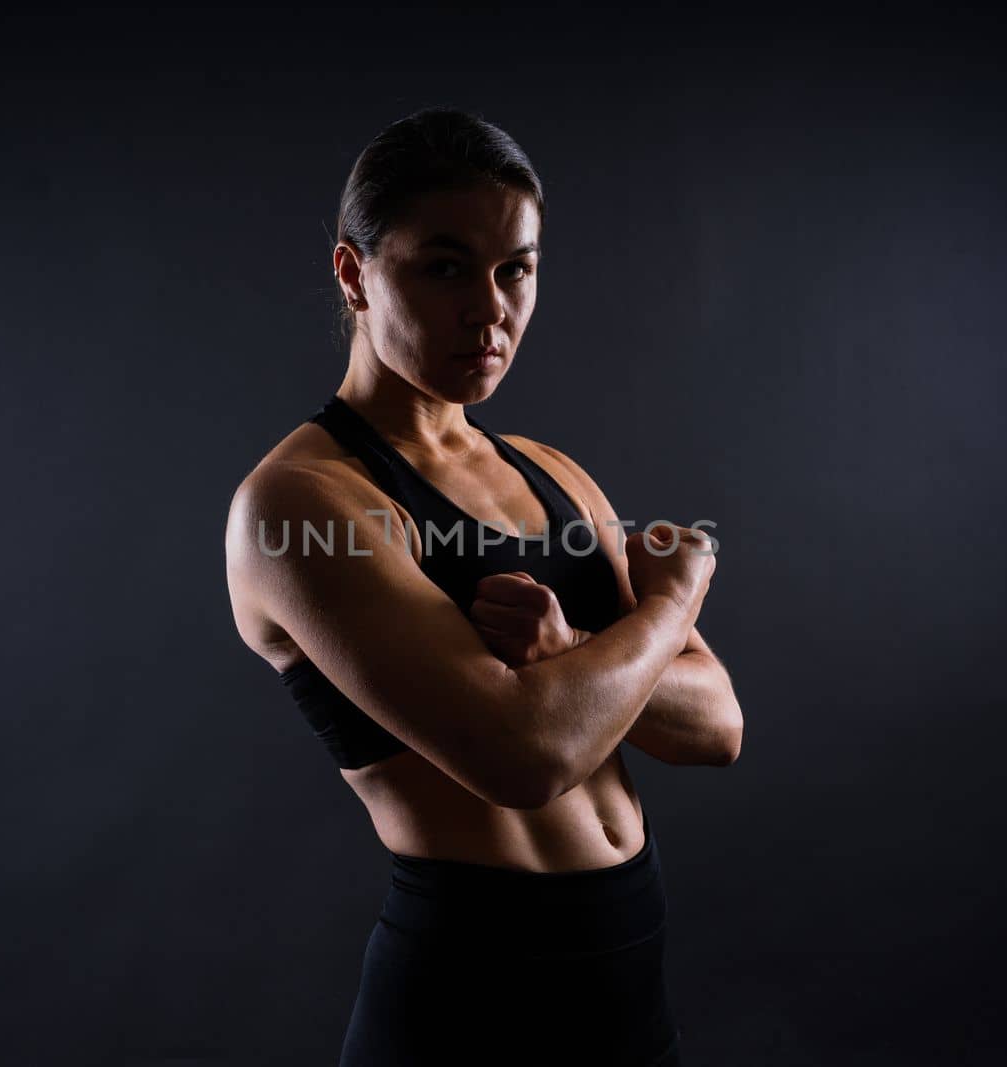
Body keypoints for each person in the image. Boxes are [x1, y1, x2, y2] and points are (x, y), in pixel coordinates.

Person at [224, 106, 742, 1066]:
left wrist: (571, 660)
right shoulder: (299, 501)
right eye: (446, 267)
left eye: (517, 268)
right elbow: (523, 757)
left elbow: (716, 726)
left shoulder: (552, 470)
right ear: (355, 273)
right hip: (469, 993)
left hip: (629, 976)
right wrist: (669, 606)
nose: (490, 308)